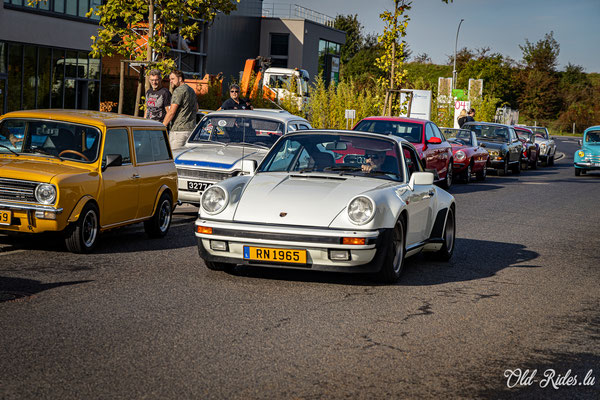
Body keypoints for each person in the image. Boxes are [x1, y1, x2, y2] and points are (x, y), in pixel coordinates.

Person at [162, 70, 198, 150]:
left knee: (175, 157)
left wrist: (162, 126)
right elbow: (197, 108)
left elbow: (172, 112)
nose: (170, 81)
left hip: (178, 131)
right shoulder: (191, 90)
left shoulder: (178, 91)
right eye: (170, 79)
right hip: (191, 130)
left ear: (180, 78)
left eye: (172, 79)